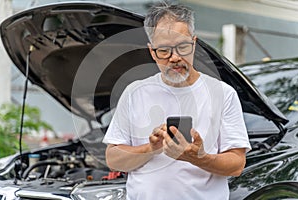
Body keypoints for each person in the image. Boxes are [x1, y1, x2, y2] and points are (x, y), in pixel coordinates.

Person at [103, 2, 251, 200]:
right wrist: (151, 148)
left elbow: (236, 164)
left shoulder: (222, 94)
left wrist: (199, 157)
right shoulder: (135, 93)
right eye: (164, 50)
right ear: (151, 51)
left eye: (182, 47)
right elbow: (113, 160)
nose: (174, 58)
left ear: (194, 43)